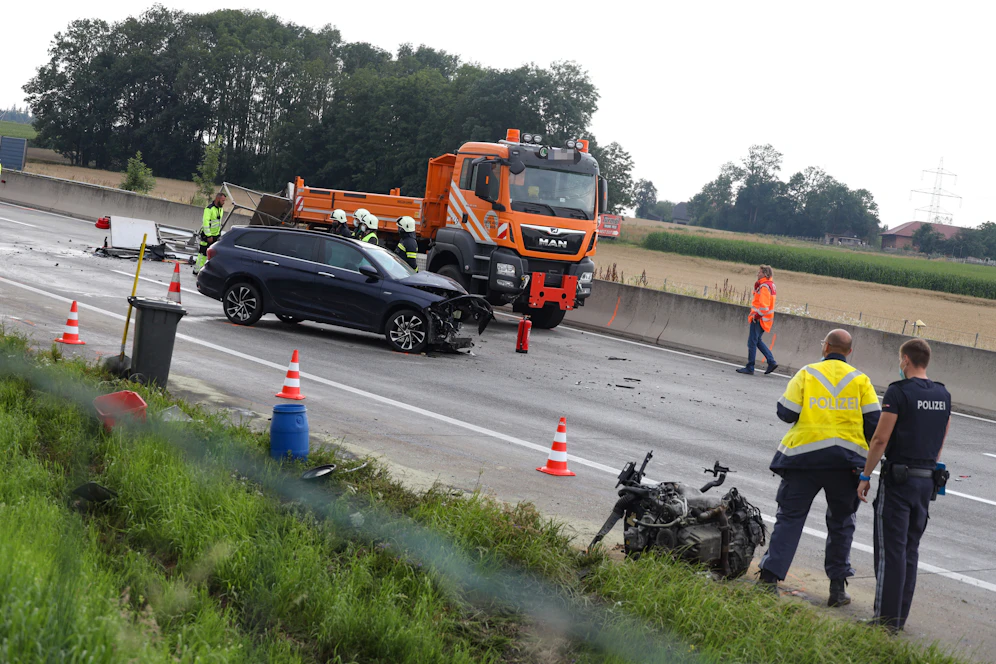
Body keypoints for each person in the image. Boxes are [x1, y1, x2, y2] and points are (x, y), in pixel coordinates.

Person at [757, 329, 881, 607]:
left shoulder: (807, 373)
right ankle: (837, 590)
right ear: (849, 351)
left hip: (804, 460)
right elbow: (874, 425)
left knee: (789, 518)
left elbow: (785, 412)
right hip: (847, 464)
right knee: (841, 523)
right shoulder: (861, 381)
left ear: (825, 348)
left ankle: (768, 580)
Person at [857, 338, 950, 634]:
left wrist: (865, 475)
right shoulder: (943, 394)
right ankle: (898, 619)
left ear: (906, 360)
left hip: (898, 481)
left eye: (901, 360)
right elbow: (941, 440)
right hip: (926, 482)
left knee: (891, 551)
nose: (900, 365)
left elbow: (880, 440)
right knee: (910, 550)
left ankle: (884, 621)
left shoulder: (898, 393)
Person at [737, 265, 778, 375]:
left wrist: (756, 316)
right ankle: (771, 361)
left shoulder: (764, 286)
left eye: (759, 273)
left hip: (759, 319)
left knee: (752, 342)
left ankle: (750, 367)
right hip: (766, 319)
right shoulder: (771, 285)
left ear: (765, 274)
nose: (757, 274)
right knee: (757, 341)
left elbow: (764, 306)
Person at [195, 192, 226, 274]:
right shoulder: (209, 209)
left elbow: (218, 223)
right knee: (203, 254)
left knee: (211, 255)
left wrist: (218, 234)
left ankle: (206, 270)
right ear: (218, 199)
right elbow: (206, 223)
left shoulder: (220, 209)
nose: (224, 202)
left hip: (215, 235)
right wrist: (208, 235)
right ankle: (197, 270)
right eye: (222, 200)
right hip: (207, 235)